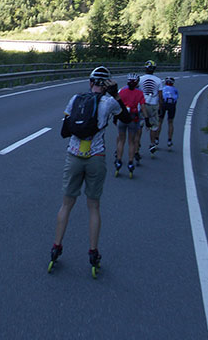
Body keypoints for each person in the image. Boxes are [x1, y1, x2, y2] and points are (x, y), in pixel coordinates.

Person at [50, 66, 131, 276]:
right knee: (93, 206)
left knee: (66, 204)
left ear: (90, 82)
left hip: (73, 156)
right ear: (107, 84)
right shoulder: (109, 102)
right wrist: (115, 94)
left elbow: (63, 130)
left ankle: (56, 247)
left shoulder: (75, 99)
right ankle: (93, 252)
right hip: (96, 157)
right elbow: (127, 120)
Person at [114, 72, 147, 178]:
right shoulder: (139, 93)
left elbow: (116, 105)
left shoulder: (122, 91)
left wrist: (115, 117)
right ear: (137, 82)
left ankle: (119, 160)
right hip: (133, 119)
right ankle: (130, 161)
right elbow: (142, 107)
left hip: (122, 118)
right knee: (131, 141)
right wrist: (147, 119)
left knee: (121, 140)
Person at [138, 60, 163, 154]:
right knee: (153, 126)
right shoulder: (158, 80)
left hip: (142, 104)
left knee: (140, 125)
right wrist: (161, 107)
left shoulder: (140, 79)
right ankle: (152, 143)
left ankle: (138, 143)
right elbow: (160, 96)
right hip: (153, 105)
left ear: (145, 68)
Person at [158, 76, 179, 148]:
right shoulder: (175, 89)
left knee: (160, 121)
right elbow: (176, 98)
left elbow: (159, 97)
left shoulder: (163, 88)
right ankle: (169, 140)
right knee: (170, 122)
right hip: (172, 105)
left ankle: (156, 139)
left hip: (164, 104)